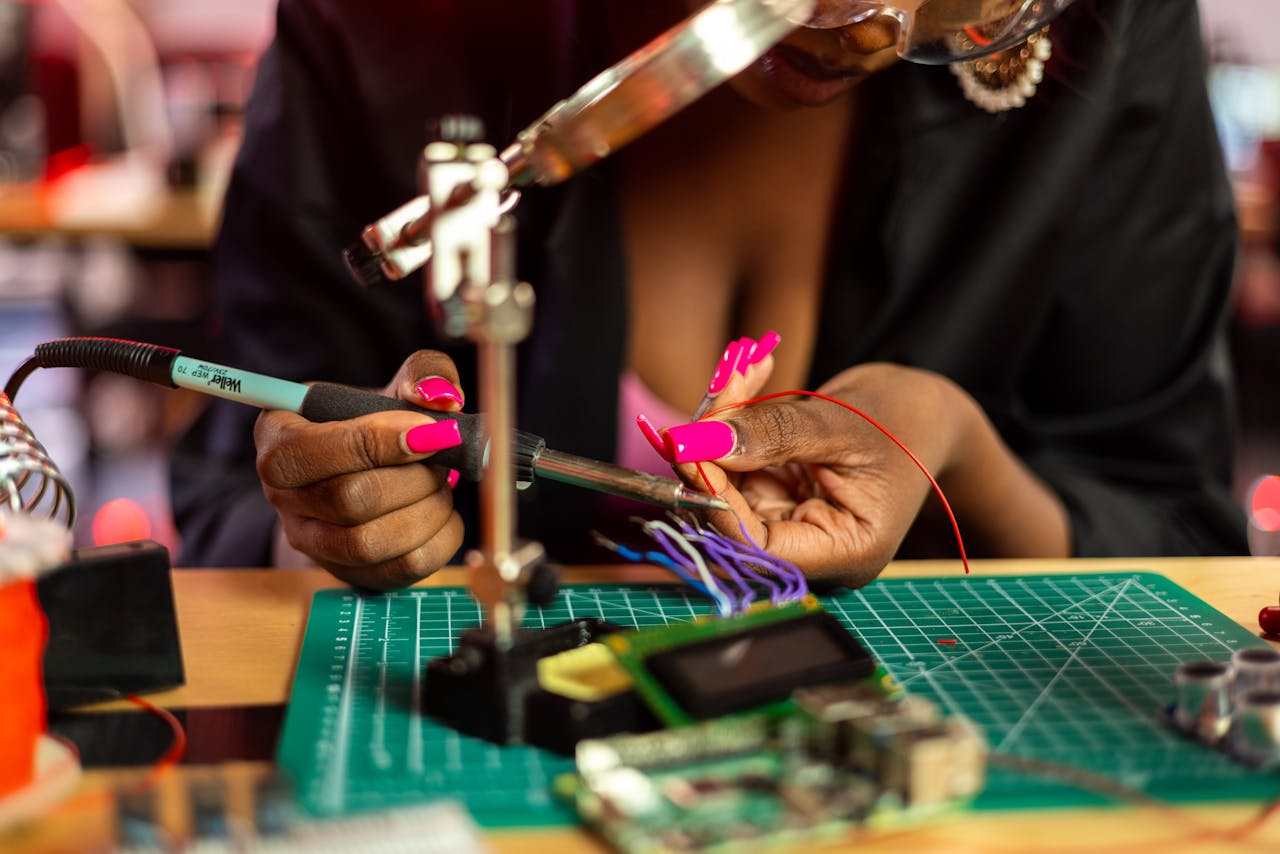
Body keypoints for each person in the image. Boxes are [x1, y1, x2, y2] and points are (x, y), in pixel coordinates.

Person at [171, 0, 1248, 589]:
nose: (870, 28)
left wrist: (955, 451)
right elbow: (227, 494)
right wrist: (326, 516)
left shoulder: (1106, 26)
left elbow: (1180, 537)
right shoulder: (384, 28)